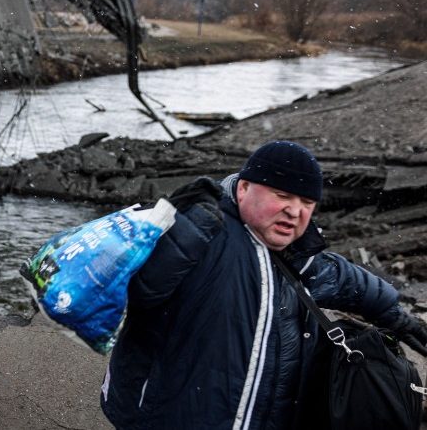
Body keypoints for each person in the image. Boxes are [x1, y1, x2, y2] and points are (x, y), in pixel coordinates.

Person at [101, 140, 427, 429]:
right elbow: (141, 289)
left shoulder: (296, 255)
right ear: (243, 189)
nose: (294, 211)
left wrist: (394, 314)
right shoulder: (202, 229)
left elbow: (344, 278)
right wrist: (182, 230)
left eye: (307, 202)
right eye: (282, 195)